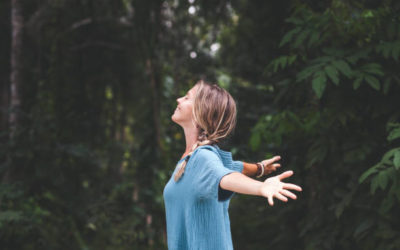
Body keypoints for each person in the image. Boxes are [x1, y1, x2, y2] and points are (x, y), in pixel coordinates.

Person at [163, 80, 302, 250]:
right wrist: (260, 168)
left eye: (187, 97)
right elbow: (234, 167)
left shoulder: (203, 158)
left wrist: (261, 188)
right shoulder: (189, 160)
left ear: (201, 111)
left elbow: (226, 177)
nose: (179, 99)